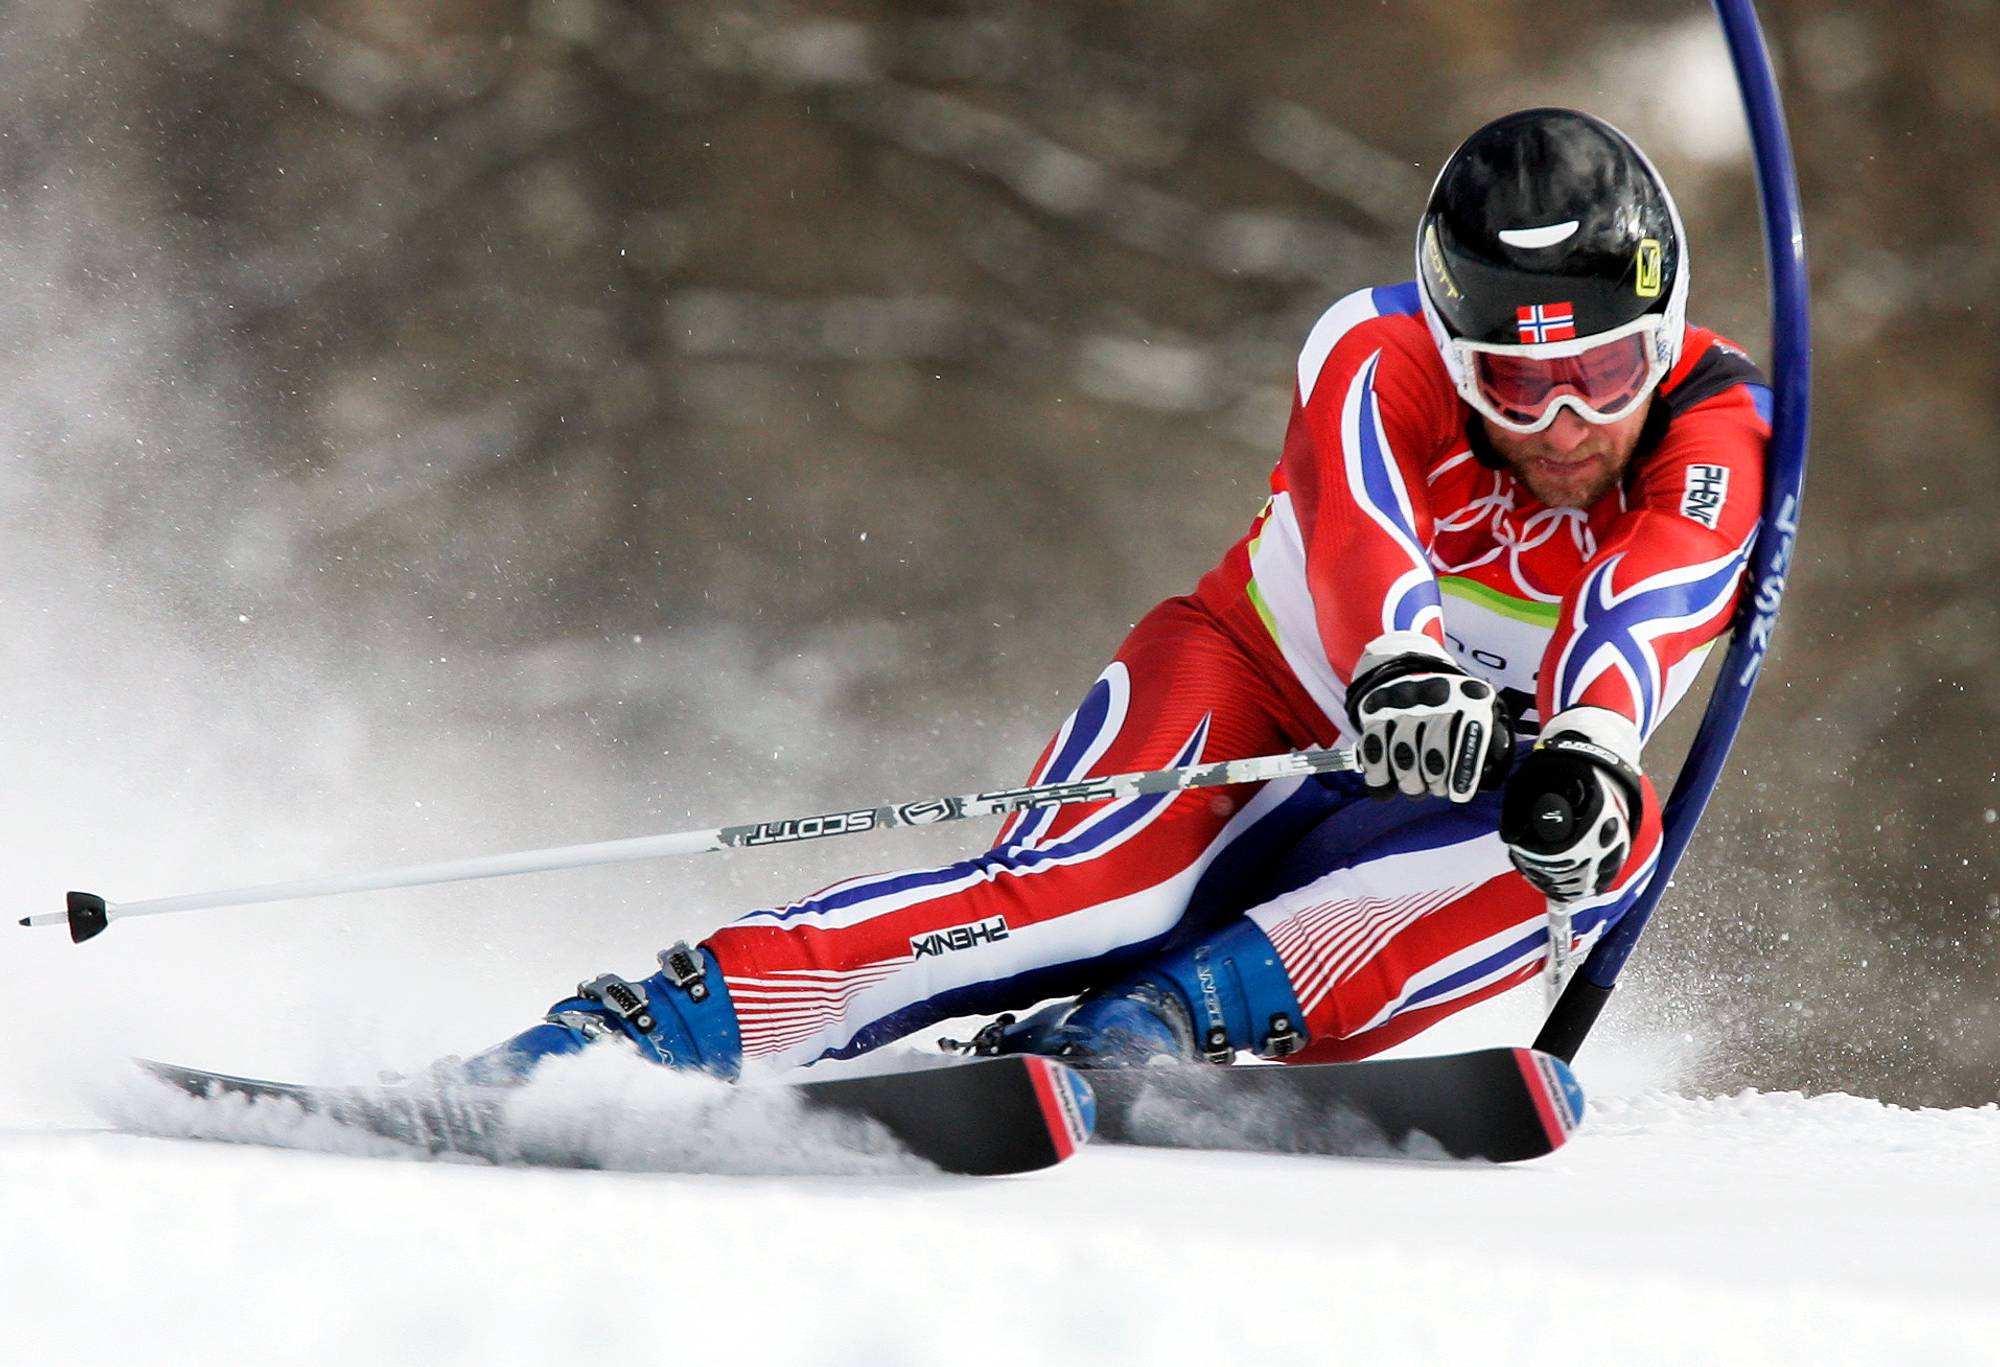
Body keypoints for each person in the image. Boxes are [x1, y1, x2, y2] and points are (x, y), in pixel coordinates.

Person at [453, 107, 1770, 1086]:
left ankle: (1151, 1029)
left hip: (1464, 788)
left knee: (1603, 837)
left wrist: (1592, 743)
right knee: (1095, 902)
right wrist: (1404, 667)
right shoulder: (1373, 353)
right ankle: (652, 1032)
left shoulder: (1722, 434)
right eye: (1516, 384)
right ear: (1452, 346)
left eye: (1604, 373)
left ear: (1663, 336)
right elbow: (1361, 522)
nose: (1562, 425)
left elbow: (1649, 604)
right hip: (1258, 696)